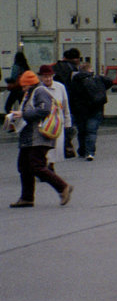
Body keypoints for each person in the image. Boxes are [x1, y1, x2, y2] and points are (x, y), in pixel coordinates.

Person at [9, 70, 72, 208]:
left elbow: (44, 110)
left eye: (24, 85)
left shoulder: (39, 91)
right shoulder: (30, 93)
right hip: (29, 137)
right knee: (24, 166)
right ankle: (27, 198)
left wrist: (23, 114)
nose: (23, 88)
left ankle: (63, 187)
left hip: (38, 136)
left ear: (29, 84)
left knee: (36, 166)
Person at [74, 61, 114, 161]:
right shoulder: (97, 78)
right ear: (90, 69)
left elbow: (72, 95)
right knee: (91, 132)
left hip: (81, 110)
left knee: (82, 131)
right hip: (96, 108)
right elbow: (110, 81)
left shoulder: (76, 80)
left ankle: (82, 150)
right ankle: (90, 152)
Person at [37, 64, 73, 167]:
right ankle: (45, 167)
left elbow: (65, 106)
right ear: (40, 77)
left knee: (55, 147)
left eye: (50, 76)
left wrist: (67, 123)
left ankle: (50, 165)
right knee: (44, 147)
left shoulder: (60, 87)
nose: (48, 79)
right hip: (42, 124)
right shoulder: (38, 89)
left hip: (57, 123)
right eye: (45, 76)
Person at [54, 48, 83, 158]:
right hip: (70, 101)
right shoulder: (73, 70)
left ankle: (63, 145)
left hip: (56, 100)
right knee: (69, 124)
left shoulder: (55, 67)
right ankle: (67, 146)